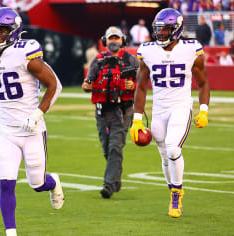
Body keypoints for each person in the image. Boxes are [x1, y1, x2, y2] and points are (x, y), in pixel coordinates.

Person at [0, 7, 63, 236]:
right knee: (6, 183)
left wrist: (37, 114)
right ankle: (11, 232)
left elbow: (55, 86)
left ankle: (52, 182)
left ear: (14, 31)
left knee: (37, 184)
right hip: (6, 130)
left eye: (2, 30)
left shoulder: (26, 53)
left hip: (32, 130)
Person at [130, 8, 210, 218]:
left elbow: (203, 83)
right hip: (159, 111)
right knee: (165, 156)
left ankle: (177, 192)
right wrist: (137, 120)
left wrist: (203, 110)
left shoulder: (191, 48)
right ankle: (171, 190)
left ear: (176, 29)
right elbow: (141, 86)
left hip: (181, 107)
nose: (161, 34)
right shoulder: (148, 50)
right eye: (158, 29)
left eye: (165, 29)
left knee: (173, 148)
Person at [81, 26, 139, 199]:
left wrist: (133, 86)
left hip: (123, 110)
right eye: (111, 38)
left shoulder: (131, 61)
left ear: (123, 40)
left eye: (117, 38)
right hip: (102, 110)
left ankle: (108, 185)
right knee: (107, 149)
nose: (114, 41)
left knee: (115, 146)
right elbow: (87, 84)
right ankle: (115, 180)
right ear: (105, 41)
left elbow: (142, 84)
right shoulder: (98, 60)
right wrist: (87, 86)